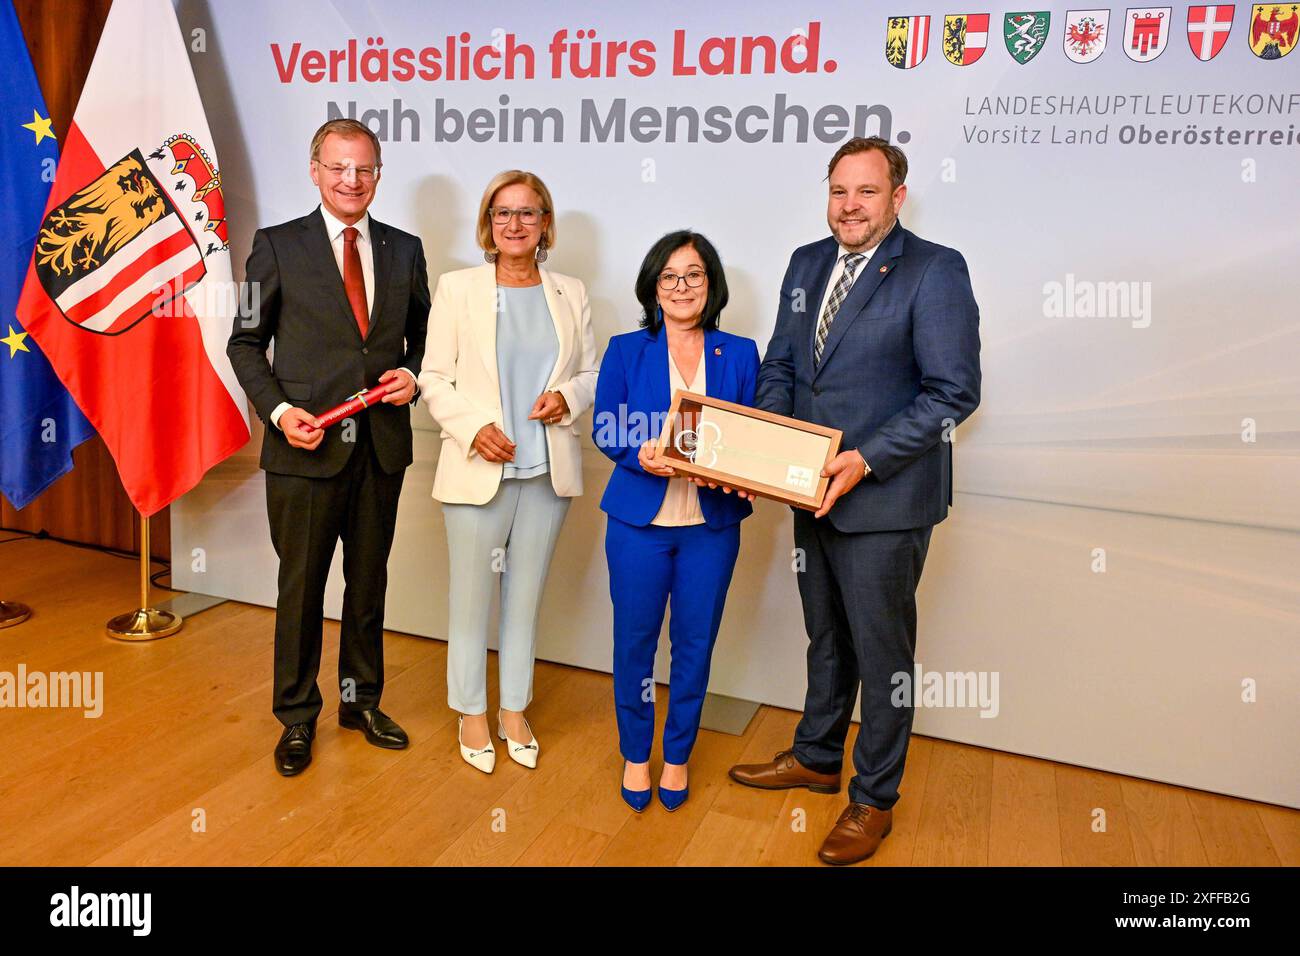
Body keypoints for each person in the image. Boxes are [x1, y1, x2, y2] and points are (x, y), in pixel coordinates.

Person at [726, 137, 981, 863]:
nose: (850, 205)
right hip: (809, 494)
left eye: (866, 192)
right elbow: (781, 364)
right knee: (827, 637)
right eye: (839, 190)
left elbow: (952, 394)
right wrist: (777, 451)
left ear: (896, 198)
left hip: (886, 501)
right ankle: (815, 756)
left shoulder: (934, 270)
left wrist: (862, 460)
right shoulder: (808, 261)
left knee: (882, 653)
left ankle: (873, 800)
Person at [227, 118, 430, 776]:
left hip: (380, 450)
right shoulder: (276, 246)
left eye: (364, 169)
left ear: (378, 175)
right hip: (303, 454)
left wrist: (415, 375)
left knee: (369, 586)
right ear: (315, 170)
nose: (352, 180)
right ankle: (295, 717)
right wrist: (281, 413)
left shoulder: (405, 250)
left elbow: (424, 341)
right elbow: (245, 343)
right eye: (339, 168)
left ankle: (359, 702)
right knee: (302, 590)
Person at [419, 170, 597, 773]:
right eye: (502, 213)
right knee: (470, 602)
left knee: (525, 601)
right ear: (488, 224)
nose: (515, 224)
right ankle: (471, 711)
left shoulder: (569, 290)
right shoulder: (458, 287)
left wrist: (567, 399)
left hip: (547, 474)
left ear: (545, 223)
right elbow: (433, 378)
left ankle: (514, 709)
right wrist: (473, 429)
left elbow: (590, 374)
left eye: (528, 213)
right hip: (478, 471)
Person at [593, 231, 760, 812]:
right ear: (653, 288)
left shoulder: (739, 352)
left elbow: (753, 436)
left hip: (711, 527)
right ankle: (637, 756)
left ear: (710, 285)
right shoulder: (624, 348)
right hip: (639, 522)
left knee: (695, 644)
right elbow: (605, 427)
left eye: (694, 275)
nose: (682, 286)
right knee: (634, 644)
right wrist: (636, 452)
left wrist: (741, 468)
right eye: (669, 276)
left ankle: (679, 755)